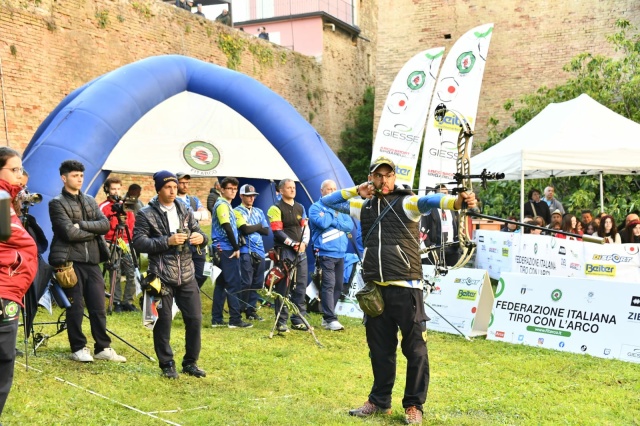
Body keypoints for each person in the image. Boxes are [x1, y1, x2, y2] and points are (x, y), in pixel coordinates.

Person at [320, 156, 476, 425]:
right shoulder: (363, 205)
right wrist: (356, 190)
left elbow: (430, 202)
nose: (383, 180)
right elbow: (327, 202)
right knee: (379, 350)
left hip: (406, 288)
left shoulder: (407, 202)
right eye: (378, 175)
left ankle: (414, 405)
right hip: (376, 290)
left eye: (388, 175)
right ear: (371, 178)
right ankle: (380, 401)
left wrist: (456, 202)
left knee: (415, 350)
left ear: (394, 177)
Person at [132, 170, 208, 379]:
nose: (173, 190)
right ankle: (167, 364)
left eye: (175, 186)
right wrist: (167, 241)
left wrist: (200, 238)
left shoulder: (184, 209)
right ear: (159, 189)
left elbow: (200, 232)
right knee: (163, 321)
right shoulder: (146, 213)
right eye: (168, 187)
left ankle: (190, 363)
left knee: (194, 318)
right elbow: (138, 242)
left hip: (186, 272)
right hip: (161, 274)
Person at [49, 160, 126, 363]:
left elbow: (105, 225)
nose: (80, 179)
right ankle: (78, 347)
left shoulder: (91, 200)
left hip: (92, 260)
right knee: (75, 308)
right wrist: (90, 231)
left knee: (98, 306)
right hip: (70, 261)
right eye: (75, 175)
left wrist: (81, 224)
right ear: (64, 178)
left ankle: (103, 347)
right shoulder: (56, 202)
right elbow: (68, 233)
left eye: (81, 175)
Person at [0, 148, 38, 418]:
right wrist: (16, 260)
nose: (20, 176)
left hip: (9, 290)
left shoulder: (7, 199)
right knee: (2, 362)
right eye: (14, 170)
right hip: (3, 292)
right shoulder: (1, 198)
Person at [267, 179, 310, 332]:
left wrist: (304, 242)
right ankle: (281, 321)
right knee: (284, 287)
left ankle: (298, 319)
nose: (292, 190)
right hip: (285, 251)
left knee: (301, 285)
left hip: (301, 252)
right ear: (281, 190)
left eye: (294, 187)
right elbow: (277, 231)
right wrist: (293, 244)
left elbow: (305, 227)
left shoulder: (301, 207)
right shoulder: (275, 208)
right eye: (289, 187)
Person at [309, 179, 352, 331]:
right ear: (322, 191)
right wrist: (332, 212)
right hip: (325, 253)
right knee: (328, 285)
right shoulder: (315, 207)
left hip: (340, 253)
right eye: (329, 189)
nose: (332, 191)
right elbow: (322, 223)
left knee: (338, 285)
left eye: (334, 188)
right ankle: (330, 318)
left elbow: (349, 225)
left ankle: (327, 316)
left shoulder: (341, 207)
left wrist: (334, 221)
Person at [210, 177, 253, 328]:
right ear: (222, 189)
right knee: (234, 284)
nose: (233, 191)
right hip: (226, 248)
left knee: (221, 284)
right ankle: (235, 319)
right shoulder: (222, 204)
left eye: (235, 189)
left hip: (222, 248)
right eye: (229, 188)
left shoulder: (226, 204)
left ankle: (216, 319)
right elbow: (227, 226)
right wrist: (236, 248)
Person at [99, 177, 137, 313]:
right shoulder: (103, 207)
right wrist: (105, 244)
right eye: (113, 188)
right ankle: (116, 302)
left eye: (118, 189)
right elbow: (100, 228)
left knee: (131, 272)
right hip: (111, 242)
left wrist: (130, 240)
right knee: (115, 272)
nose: (116, 191)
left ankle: (128, 301)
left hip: (125, 242)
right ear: (107, 190)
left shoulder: (127, 205)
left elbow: (131, 224)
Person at [234, 184, 270, 321]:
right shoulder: (237, 211)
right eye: (248, 196)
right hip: (245, 250)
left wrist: (255, 227)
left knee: (257, 282)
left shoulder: (259, 211)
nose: (251, 198)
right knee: (246, 281)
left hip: (259, 250)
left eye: (253, 196)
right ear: (241, 196)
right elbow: (244, 229)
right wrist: (258, 226)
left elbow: (266, 231)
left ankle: (251, 310)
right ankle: (239, 307)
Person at [176, 172, 210, 288]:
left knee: (202, 273)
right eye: (181, 183)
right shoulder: (173, 200)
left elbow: (205, 215)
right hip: (181, 242)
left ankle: (191, 293)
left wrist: (188, 214)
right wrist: (196, 214)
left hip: (196, 241)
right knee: (182, 274)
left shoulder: (193, 199)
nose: (185, 185)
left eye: (187, 183)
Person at [419, 184, 460, 266]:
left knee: (452, 272)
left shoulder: (453, 209)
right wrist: (429, 245)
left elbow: (458, 225)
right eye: (441, 193)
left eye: (445, 193)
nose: (444, 195)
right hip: (435, 247)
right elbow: (423, 227)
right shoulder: (429, 209)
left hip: (451, 247)